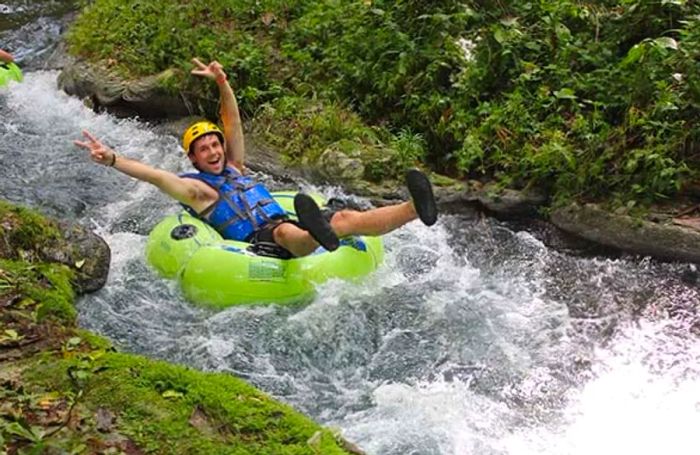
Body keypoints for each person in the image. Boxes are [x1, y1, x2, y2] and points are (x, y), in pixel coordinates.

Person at [74, 58, 438, 258]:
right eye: (205, 149)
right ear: (194, 158)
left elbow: (232, 123)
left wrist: (222, 83)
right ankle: (315, 235)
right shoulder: (197, 191)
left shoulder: (235, 167)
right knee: (285, 232)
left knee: (343, 216)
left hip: (285, 218)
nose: (215, 151)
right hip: (262, 241)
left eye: (216, 145)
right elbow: (153, 175)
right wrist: (111, 159)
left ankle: (414, 208)